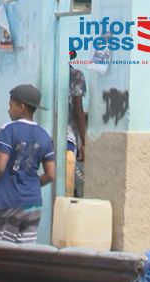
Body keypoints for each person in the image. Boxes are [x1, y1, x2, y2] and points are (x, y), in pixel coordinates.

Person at [0, 84, 56, 244]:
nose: (8, 110)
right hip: (33, 205)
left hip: (8, 202)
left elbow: (0, 167)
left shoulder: (9, 130)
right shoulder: (44, 136)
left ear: (21, 107)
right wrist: (33, 184)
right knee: (24, 255)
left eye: (10, 106)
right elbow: (51, 175)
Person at [67, 51, 88, 197]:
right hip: (67, 136)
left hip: (44, 135)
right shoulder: (75, 75)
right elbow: (78, 110)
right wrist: (84, 143)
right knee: (68, 183)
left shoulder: (43, 71)